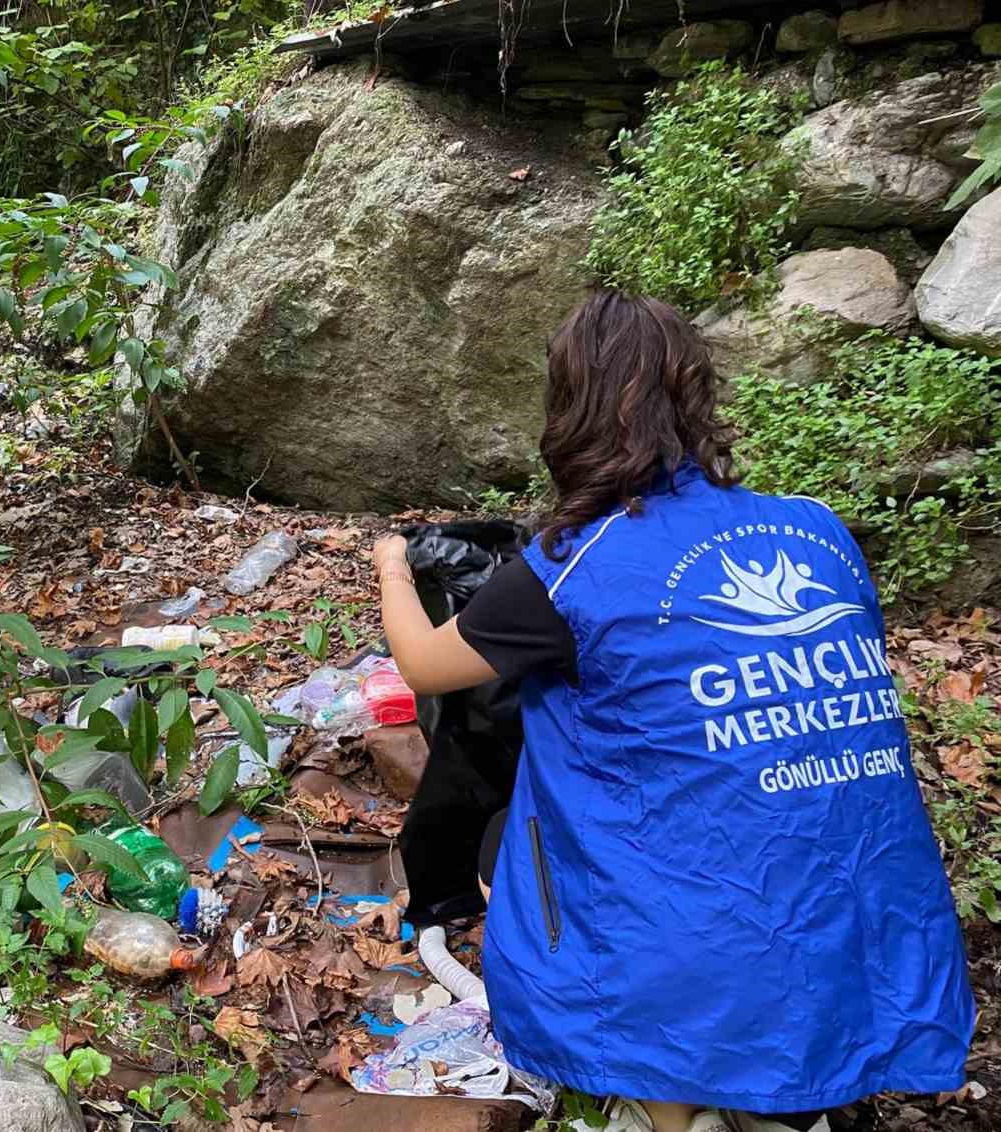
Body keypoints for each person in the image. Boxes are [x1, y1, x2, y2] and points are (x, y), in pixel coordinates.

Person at [372, 290, 974, 1132]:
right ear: (694, 396)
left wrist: (394, 564)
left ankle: (672, 1108)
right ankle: (793, 1100)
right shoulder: (819, 531)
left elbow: (423, 665)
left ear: (571, 410)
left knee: (506, 846)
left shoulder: (573, 562)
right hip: (873, 909)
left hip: (706, 924)